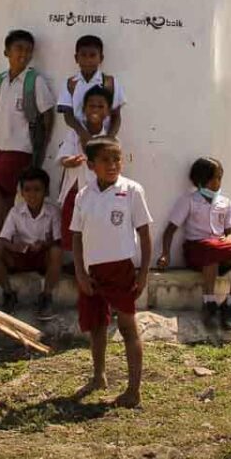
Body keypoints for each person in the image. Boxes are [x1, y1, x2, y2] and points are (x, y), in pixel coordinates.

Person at [70, 137, 152, 408]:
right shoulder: (83, 195)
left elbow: (144, 233)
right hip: (92, 270)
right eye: (105, 160)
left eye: (116, 158)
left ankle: (133, 390)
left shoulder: (132, 190)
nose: (113, 164)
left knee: (128, 328)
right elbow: (77, 237)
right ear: (91, 164)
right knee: (96, 326)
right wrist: (80, 273)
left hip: (121, 269)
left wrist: (143, 274)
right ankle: (98, 376)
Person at [157, 158, 231, 330]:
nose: (217, 183)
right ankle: (209, 302)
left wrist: (229, 240)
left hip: (216, 248)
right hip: (197, 250)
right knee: (210, 248)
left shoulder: (225, 202)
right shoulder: (189, 200)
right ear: (200, 180)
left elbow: (229, 231)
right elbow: (170, 230)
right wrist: (165, 254)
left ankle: (230, 303)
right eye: (213, 178)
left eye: (220, 178)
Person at [0, 29, 56, 252]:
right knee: (5, 198)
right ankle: (6, 242)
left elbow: (48, 114)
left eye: (28, 50)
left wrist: (40, 148)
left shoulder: (35, 81)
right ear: (7, 52)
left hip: (21, 147)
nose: (23, 54)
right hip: (1, 147)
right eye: (18, 49)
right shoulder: (0, 81)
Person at [0, 167, 63, 319]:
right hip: (20, 255)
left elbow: (58, 240)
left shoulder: (53, 212)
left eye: (37, 189)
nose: (32, 194)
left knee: (56, 251)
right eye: (27, 190)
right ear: (21, 193)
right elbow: (3, 238)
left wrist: (44, 244)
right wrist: (15, 246)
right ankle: (8, 294)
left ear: (46, 192)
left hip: (42, 257)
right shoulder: (15, 212)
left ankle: (46, 296)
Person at [58, 86, 112, 252]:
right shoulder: (74, 134)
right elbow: (63, 158)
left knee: (93, 233)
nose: (95, 110)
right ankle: (77, 266)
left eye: (100, 106)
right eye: (91, 106)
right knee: (72, 233)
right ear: (84, 109)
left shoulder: (108, 139)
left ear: (107, 112)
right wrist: (70, 161)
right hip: (74, 193)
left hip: (96, 195)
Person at [57, 34, 126, 142]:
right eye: (83, 55)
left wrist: (109, 138)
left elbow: (116, 115)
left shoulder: (110, 83)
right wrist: (84, 135)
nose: (88, 60)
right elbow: (68, 116)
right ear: (76, 58)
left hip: (103, 138)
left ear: (101, 58)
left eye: (92, 55)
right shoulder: (70, 84)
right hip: (77, 139)